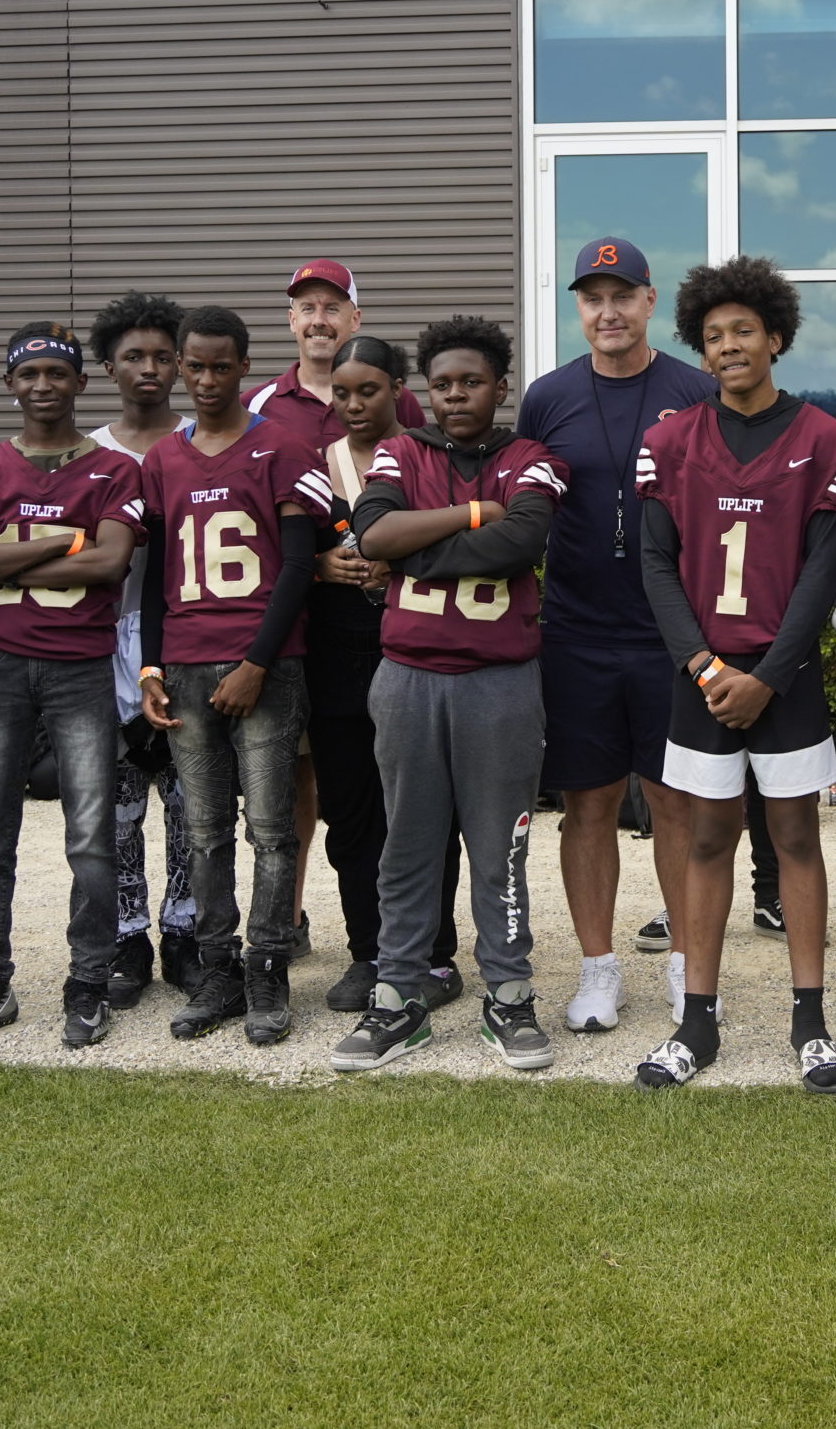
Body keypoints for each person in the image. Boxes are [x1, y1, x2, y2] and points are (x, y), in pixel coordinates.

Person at [631, 256, 836, 1093]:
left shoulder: (825, 441)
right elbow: (658, 567)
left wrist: (766, 674)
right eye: (713, 335)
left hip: (785, 673)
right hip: (701, 676)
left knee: (796, 836)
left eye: (744, 330)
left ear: (776, 336)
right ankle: (697, 1020)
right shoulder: (668, 441)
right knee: (704, 836)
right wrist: (703, 665)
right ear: (700, 348)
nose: (729, 345)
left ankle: (812, 1020)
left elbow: (820, 570)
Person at [330, 316, 570, 1074]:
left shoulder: (531, 458)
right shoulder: (400, 450)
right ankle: (399, 994)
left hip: (499, 682)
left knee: (500, 845)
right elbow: (370, 535)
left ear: (501, 387)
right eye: (443, 383)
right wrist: (472, 515)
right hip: (407, 678)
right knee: (407, 841)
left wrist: (414, 548)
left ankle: (508, 991)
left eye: (472, 381)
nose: (457, 394)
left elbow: (521, 542)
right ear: (423, 392)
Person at [516, 237, 716, 1034]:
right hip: (575, 629)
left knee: (675, 802)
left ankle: (684, 965)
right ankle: (598, 970)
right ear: (579, 308)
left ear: (648, 300)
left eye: (622, 295)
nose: (608, 311)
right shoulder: (547, 397)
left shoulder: (694, 390)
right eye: (592, 297)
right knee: (588, 802)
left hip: (669, 634)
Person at [0, 323, 145, 1048]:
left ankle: (88, 981)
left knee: (90, 838)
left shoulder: (116, 470)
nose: (44, 386)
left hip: (79, 667)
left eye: (58, 373)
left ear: (80, 382)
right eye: (29, 375)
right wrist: (66, 538)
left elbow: (108, 567)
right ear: (10, 385)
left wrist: (6, 554)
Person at [137, 305, 324, 1045]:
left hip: (264, 667)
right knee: (204, 827)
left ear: (245, 367)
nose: (208, 378)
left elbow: (300, 565)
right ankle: (216, 970)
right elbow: (154, 573)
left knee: (273, 829)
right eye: (196, 365)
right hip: (183, 661)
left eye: (222, 365)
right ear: (179, 367)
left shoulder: (279, 447)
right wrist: (150, 663)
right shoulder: (162, 459)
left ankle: (267, 967)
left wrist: (256, 661)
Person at [242, 257, 428, 953]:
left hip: (388, 620)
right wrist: (313, 563)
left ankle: (398, 937)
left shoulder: (398, 403)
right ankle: (285, 921)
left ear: (356, 317)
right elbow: (251, 516)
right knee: (296, 780)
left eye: (332, 306)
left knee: (380, 780)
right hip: (306, 624)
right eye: (306, 308)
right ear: (290, 321)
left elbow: (423, 492)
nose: (318, 319)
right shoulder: (262, 406)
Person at [306, 334, 466, 1016]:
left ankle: (435, 952)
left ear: (397, 390)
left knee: (425, 811)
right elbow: (282, 554)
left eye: (367, 390)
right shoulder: (317, 466)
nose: (352, 404)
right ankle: (367, 950)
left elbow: (459, 542)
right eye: (341, 392)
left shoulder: (431, 459)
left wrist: (394, 562)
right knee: (350, 814)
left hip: (415, 651)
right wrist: (321, 566)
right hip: (337, 661)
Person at [85, 292, 203, 1002]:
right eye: (134, 356)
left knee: (191, 799)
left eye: (165, 356)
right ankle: (127, 933)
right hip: (101, 641)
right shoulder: (88, 451)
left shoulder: (202, 439)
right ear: (108, 365)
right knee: (118, 799)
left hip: (184, 638)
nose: (151, 368)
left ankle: (184, 928)